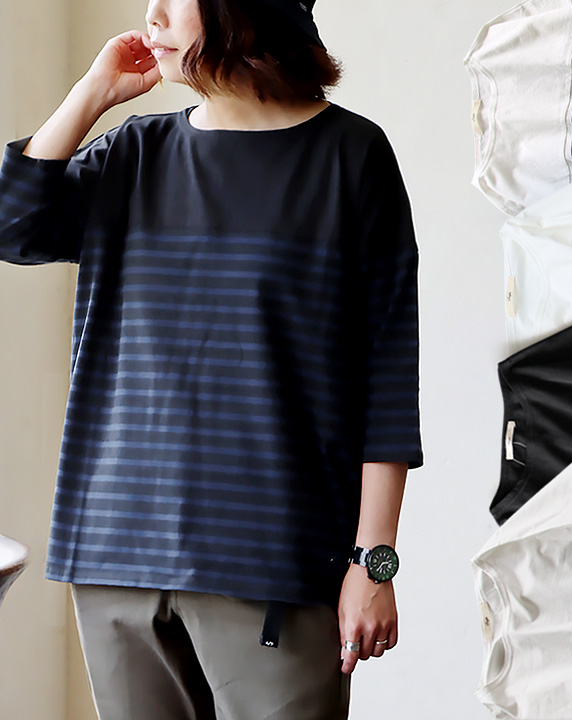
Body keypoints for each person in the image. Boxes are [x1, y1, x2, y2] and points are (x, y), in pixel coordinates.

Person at [0, 0, 422, 718]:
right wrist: (93, 94)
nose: (153, 13)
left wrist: (373, 564)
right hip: (115, 557)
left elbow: (386, 378)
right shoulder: (134, 153)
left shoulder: (350, 157)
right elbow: (14, 225)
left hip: (273, 565)